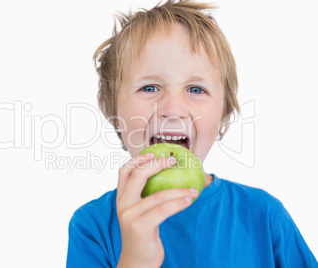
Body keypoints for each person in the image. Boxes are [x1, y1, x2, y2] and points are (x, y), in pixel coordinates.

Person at [66, 0, 318, 267]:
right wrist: (136, 259)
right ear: (111, 109)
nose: (173, 109)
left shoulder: (264, 216)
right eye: (150, 87)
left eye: (196, 89)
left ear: (224, 113)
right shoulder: (92, 227)